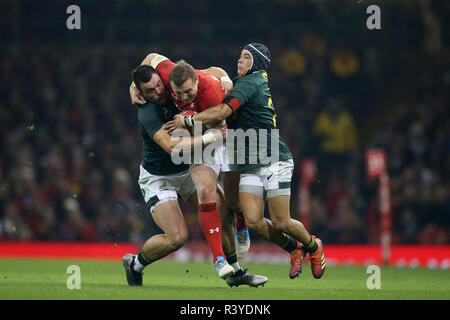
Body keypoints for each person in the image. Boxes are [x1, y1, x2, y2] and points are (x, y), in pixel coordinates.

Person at [172, 43, 326, 279]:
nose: (239, 60)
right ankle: (294, 248)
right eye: (240, 56)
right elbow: (208, 76)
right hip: (249, 161)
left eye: (246, 57)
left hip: (273, 157)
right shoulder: (241, 82)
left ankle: (313, 246)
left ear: (256, 62)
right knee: (254, 221)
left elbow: (223, 111)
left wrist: (190, 120)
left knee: (281, 221)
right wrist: (221, 76)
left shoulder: (250, 83)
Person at [123, 63, 267, 287]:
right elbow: (171, 146)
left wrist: (226, 79)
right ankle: (135, 265)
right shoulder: (147, 111)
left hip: (185, 168)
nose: (158, 92)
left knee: (223, 209)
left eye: (158, 86)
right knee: (177, 237)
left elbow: (210, 72)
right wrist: (210, 138)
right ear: (141, 94)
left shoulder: (174, 84)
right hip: (159, 177)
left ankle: (234, 271)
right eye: (149, 91)